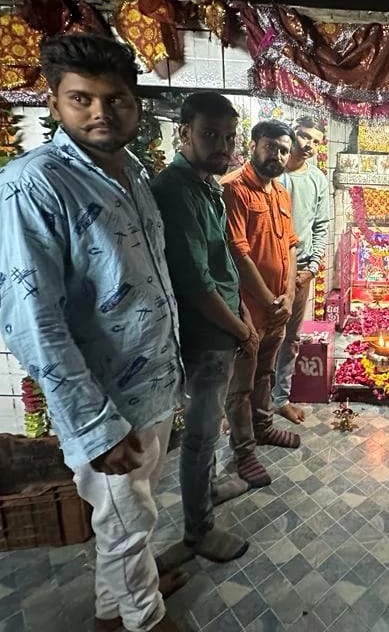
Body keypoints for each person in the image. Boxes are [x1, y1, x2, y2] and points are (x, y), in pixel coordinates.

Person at [0, 34, 183, 632]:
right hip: (105, 404)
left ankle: (114, 610)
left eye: (116, 99)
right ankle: (143, 620)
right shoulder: (33, 184)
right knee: (126, 524)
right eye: (82, 98)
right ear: (54, 102)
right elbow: (33, 319)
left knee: (129, 519)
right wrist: (94, 426)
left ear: (136, 105)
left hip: (150, 388)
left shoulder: (132, 172)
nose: (101, 112)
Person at [151, 92, 257, 565]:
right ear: (184, 133)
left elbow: (222, 265)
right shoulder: (174, 191)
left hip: (223, 327)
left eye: (229, 137)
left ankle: (210, 488)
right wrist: (241, 329)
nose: (223, 146)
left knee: (209, 426)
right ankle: (199, 531)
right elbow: (195, 285)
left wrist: (243, 316)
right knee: (200, 434)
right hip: (204, 333)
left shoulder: (206, 186)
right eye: (210, 134)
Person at [222, 120, 300, 488]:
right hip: (248, 309)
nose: (278, 155)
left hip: (278, 307)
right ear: (253, 145)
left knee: (266, 371)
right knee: (241, 384)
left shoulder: (281, 192)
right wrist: (269, 301)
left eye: (284, 150)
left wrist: (289, 295)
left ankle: (264, 426)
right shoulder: (233, 189)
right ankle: (243, 451)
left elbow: (290, 246)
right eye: (271, 147)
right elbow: (238, 254)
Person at [273, 117, 330, 424]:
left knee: (291, 338)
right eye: (305, 136)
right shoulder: (271, 173)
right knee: (255, 337)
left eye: (316, 141)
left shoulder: (318, 180)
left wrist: (312, 268)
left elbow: (321, 226)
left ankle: (280, 398)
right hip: (266, 268)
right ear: (291, 133)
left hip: (301, 271)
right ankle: (245, 401)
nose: (309, 144)